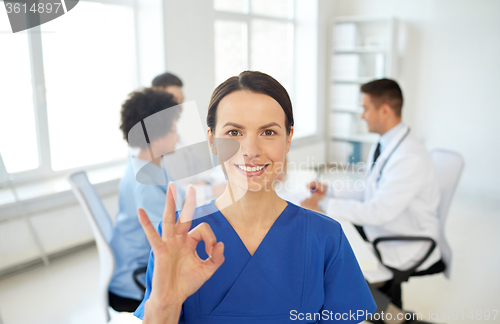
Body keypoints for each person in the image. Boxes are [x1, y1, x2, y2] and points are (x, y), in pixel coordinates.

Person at [133, 71, 376, 323]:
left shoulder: (325, 239)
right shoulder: (178, 237)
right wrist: (165, 303)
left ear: (288, 138)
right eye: (234, 133)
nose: (250, 151)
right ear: (212, 141)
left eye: (268, 132)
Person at [301, 79, 441, 324]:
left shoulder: (409, 156)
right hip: (386, 227)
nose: (362, 116)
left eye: (365, 108)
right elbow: (369, 188)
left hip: (403, 239)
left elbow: (378, 211)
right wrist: (329, 190)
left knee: (339, 264)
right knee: (335, 251)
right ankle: (392, 315)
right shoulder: (384, 142)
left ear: (385, 110)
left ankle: (396, 319)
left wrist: (322, 205)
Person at [108, 88, 183, 311]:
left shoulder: (143, 167)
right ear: (155, 136)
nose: (177, 136)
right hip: (136, 281)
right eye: (172, 130)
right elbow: (169, 239)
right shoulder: (146, 182)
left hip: (136, 270)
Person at [152, 71, 226, 203]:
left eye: (181, 100)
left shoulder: (178, 136)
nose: (180, 107)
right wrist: (210, 190)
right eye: (174, 101)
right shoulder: (153, 144)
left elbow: (202, 171)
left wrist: (204, 182)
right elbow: (170, 191)